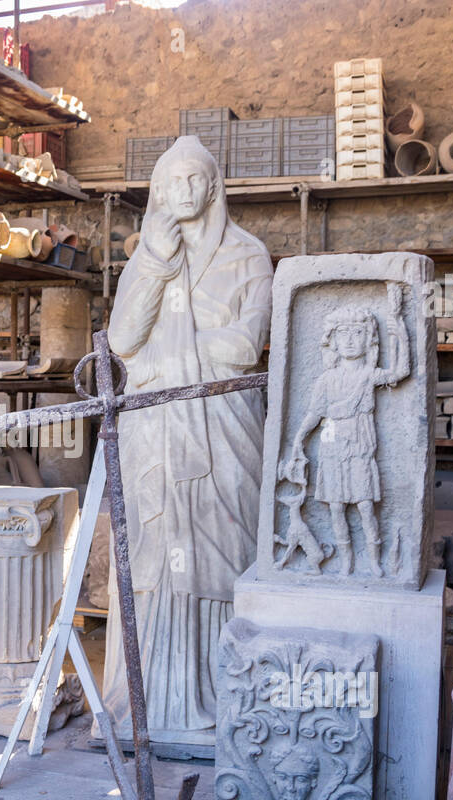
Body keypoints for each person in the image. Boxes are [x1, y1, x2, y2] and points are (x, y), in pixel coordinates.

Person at [99, 136, 271, 745]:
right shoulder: (148, 259)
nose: (185, 190)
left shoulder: (249, 257)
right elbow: (121, 340)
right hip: (156, 430)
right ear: (159, 193)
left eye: (196, 178)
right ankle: (145, 703)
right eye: (173, 181)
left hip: (225, 429)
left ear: (214, 186)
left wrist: (174, 352)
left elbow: (246, 347)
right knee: (154, 553)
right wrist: (153, 263)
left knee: (221, 548)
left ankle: (223, 695)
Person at [280, 288, 409, 576]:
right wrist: (298, 442)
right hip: (332, 447)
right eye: (343, 334)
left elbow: (400, 372)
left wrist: (401, 333)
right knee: (336, 508)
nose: (350, 340)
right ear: (333, 341)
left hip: (360, 449)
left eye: (357, 333)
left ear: (368, 339)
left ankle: (374, 561)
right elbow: (314, 415)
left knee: (365, 507)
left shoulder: (368, 375)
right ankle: (347, 560)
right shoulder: (327, 379)